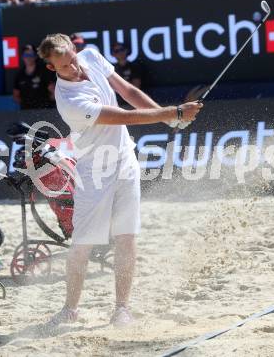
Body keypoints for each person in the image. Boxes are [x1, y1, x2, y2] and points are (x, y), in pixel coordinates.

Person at [37, 34, 202, 327]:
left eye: (72, 60)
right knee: (82, 244)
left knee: (127, 237)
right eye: (63, 67)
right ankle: (69, 309)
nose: (73, 68)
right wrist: (172, 113)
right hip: (93, 170)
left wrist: (169, 119)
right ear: (52, 69)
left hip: (126, 160)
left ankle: (121, 309)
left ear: (76, 50)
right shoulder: (69, 100)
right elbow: (123, 117)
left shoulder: (91, 56)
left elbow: (128, 91)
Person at [13, 44, 56, 110]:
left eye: (31, 55)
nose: (28, 58)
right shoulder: (19, 75)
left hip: (45, 110)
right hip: (26, 112)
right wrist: (26, 105)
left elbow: (53, 91)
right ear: (22, 57)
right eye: (26, 55)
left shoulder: (43, 71)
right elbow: (16, 96)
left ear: (35, 56)